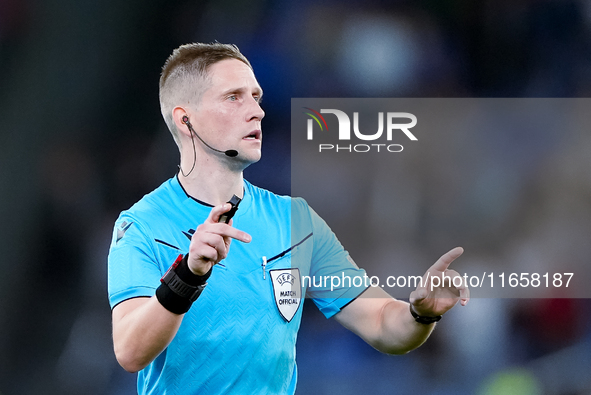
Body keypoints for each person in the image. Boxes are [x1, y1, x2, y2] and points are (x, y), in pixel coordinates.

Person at [108, 42, 470, 394]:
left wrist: (420, 314)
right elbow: (130, 352)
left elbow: (380, 323)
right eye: (234, 97)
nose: (256, 111)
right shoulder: (142, 224)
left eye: (256, 97)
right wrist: (187, 274)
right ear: (186, 120)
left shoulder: (295, 220)